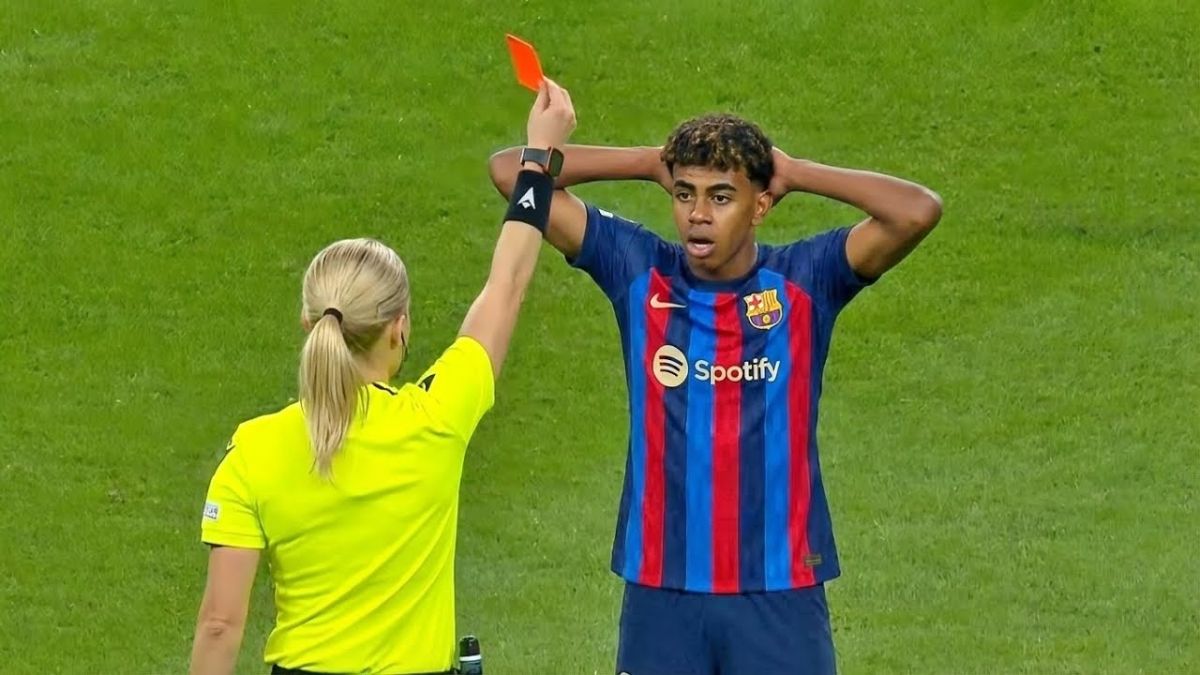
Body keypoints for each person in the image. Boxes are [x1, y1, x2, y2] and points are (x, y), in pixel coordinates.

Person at [488, 114, 942, 674]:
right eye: (685, 194)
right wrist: (646, 162)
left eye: (721, 197)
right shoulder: (637, 270)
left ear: (760, 205)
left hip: (779, 592)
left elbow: (916, 211)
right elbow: (511, 172)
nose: (698, 214)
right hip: (662, 591)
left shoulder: (806, 280)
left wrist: (795, 172)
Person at [189, 79, 577, 675]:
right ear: (400, 328)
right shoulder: (436, 419)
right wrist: (538, 158)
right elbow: (507, 285)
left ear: (308, 322)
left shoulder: (253, 451)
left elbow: (220, 624)